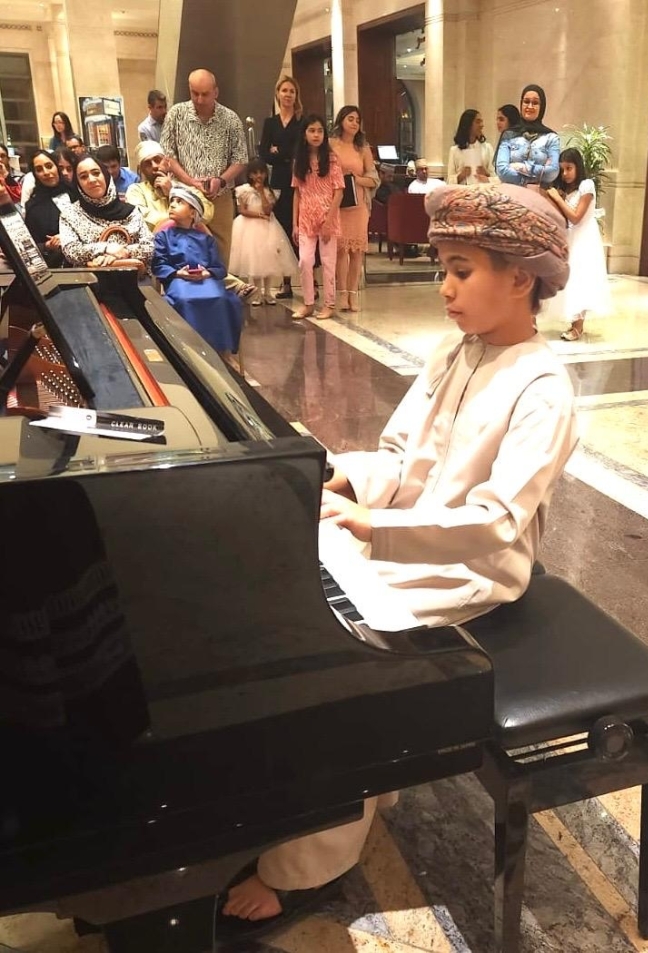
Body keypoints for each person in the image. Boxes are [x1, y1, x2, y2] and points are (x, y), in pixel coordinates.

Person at [216, 183, 576, 943]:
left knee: (326, 659)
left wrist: (374, 528)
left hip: (470, 571)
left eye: (462, 270)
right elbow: (395, 454)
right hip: (398, 537)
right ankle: (345, 790)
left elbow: (495, 522)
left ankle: (309, 858)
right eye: (443, 267)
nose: (444, 287)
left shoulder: (544, 386)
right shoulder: (457, 352)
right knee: (277, 586)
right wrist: (343, 480)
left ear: (522, 278)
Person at [126, 140, 255, 299]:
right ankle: (232, 285)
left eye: (157, 160)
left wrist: (172, 192)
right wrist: (177, 217)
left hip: (189, 242)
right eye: (147, 163)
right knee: (172, 232)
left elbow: (206, 212)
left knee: (198, 238)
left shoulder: (182, 187)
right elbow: (139, 216)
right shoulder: (136, 190)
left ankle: (222, 287)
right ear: (141, 169)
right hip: (159, 243)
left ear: (167, 161)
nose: (154, 166)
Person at [161, 68, 248, 266]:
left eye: (205, 94)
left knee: (220, 249)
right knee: (185, 247)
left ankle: (218, 291)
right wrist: (190, 181)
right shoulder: (176, 114)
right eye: (195, 93)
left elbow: (240, 159)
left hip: (220, 196)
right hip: (184, 195)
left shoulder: (230, 119)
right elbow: (169, 155)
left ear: (216, 92)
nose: (199, 99)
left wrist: (221, 180)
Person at [152, 184, 243, 361]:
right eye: (171, 201)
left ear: (193, 212)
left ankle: (221, 351)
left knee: (221, 299)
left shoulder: (206, 239)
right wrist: (179, 273)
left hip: (206, 281)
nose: (172, 205)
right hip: (179, 281)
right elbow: (159, 264)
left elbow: (219, 267)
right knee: (184, 300)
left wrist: (207, 273)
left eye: (179, 202)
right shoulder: (164, 237)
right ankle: (188, 352)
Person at [545, 147, 611, 340]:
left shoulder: (587, 185)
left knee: (580, 279)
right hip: (571, 237)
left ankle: (578, 327)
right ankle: (573, 324)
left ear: (578, 167)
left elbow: (576, 217)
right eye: (562, 169)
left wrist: (558, 198)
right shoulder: (568, 190)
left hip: (584, 238)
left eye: (569, 168)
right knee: (570, 279)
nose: (565, 174)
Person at [290, 116, 345, 320]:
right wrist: (295, 223)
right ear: (304, 133)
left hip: (327, 216)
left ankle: (329, 304)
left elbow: (339, 191)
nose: (316, 135)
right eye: (312, 130)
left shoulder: (332, 159)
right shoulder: (299, 161)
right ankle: (308, 303)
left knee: (329, 262)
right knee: (305, 260)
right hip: (305, 218)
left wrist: (329, 221)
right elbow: (297, 192)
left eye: (320, 131)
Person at [59, 156, 153, 269]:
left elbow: (149, 247)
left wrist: (123, 253)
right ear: (78, 184)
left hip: (135, 280)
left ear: (105, 175)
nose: (92, 180)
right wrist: (105, 248)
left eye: (96, 173)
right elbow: (71, 251)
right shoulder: (70, 215)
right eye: (83, 177)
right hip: (89, 283)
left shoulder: (131, 212)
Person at [259, 75, 304, 300]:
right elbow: (264, 153)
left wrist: (281, 152)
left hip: (298, 181)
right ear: (278, 94)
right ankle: (286, 282)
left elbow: (301, 153)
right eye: (284, 90)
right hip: (277, 180)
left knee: (301, 230)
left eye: (292, 91)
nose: (288, 95)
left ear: (296, 96)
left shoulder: (301, 123)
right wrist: (280, 155)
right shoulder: (271, 123)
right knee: (282, 231)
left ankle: (309, 281)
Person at [230, 158, 298, 307]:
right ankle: (256, 293)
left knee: (268, 260)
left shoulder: (270, 191)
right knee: (253, 261)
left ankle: (267, 293)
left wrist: (261, 192)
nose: (259, 176)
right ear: (250, 174)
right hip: (249, 227)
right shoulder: (243, 190)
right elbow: (242, 210)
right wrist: (259, 215)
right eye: (255, 173)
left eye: (262, 172)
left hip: (268, 227)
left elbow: (268, 209)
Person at [329, 105, 377, 312]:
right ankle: (341, 295)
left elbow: (374, 178)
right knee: (341, 250)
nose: (354, 123)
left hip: (359, 205)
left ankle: (353, 294)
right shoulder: (331, 145)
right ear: (341, 121)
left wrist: (356, 178)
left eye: (357, 120)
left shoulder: (363, 148)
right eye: (350, 119)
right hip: (339, 203)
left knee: (356, 251)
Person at [496, 85, 560, 187]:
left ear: (542, 107)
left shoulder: (551, 138)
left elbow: (552, 172)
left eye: (535, 103)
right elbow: (502, 171)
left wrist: (522, 168)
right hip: (511, 197)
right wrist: (535, 177)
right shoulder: (509, 135)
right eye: (526, 101)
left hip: (539, 198)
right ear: (521, 104)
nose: (529, 106)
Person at [23, 149, 75, 267]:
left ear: (56, 167)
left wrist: (66, 237)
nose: (46, 172)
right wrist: (48, 245)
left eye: (49, 166)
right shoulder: (33, 206)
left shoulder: (76, 194)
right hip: (54, 266)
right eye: (39, 169)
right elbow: (30, 247)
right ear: (35, 175)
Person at [447, 109, 496, 185]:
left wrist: (486, 173)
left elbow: (495, 177)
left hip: (482, 192)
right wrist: (461, 175)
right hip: (462, 193)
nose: (482, 125)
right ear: (468, 124)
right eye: (478, 122)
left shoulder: (487, 148)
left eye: (481, 121)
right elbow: (449, 181)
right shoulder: (454, 150)